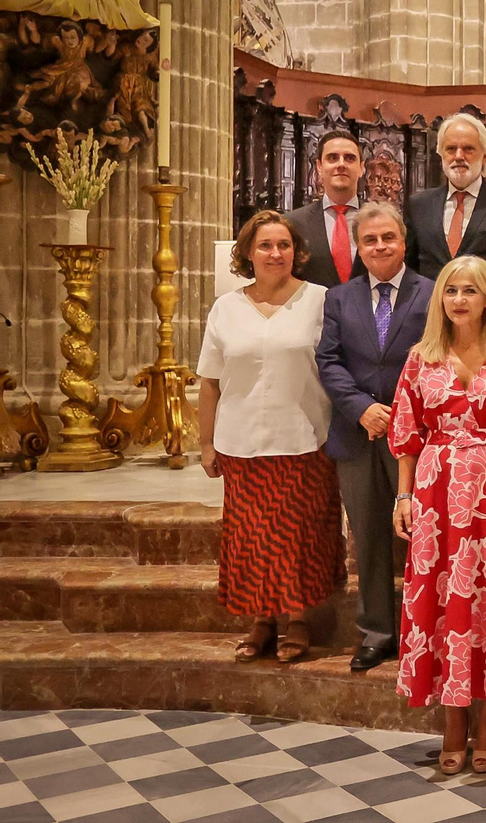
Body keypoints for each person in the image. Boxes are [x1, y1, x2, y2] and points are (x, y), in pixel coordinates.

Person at [390, 256, 486, 775]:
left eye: (470, 291)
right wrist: (403, 497)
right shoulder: (420, 358)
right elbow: (407, 435)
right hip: (436, 492)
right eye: (451, 290)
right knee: (443, 603)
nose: (459, 299)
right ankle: (453, 722)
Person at [198, 210, 345, 666]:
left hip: (304, 435)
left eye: (283, 245)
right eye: (264, 245)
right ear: (247, 253)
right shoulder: (226, 307)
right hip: (240, 440)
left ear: (296, 252)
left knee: (296, 535)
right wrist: (205, 443)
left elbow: (337, 368)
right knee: (252, 536)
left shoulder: (321, 300)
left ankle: (298, 619)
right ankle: (261, 619)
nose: (275, 253)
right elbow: (209, 381)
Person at [316, 202, 433, 672]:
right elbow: (328, 361)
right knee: (368, 537)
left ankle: (424, 629)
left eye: (388, 237)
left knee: (423, 538)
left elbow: (440, 356)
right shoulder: (339, 299)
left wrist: (405, 411)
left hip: (420, 436)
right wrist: (361, 408)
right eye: (370, 240)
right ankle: (378, 631)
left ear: (403, 242)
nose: (380, 246)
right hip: (359, 434)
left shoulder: (433, 293)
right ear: (358, 249)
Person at [405, 113, 486, 279]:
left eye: (468, 149)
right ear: (441, 155)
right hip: (431, 304)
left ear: (485, 157)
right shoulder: (419, 205)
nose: (459, 156)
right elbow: (410, 268)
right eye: (451, 149)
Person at [286, 130, 367, 288]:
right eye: (333, 158)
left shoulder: (380, 221)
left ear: (361, 168)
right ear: (319, 166)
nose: (341, 164)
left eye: (350, 158)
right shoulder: (292, 223)